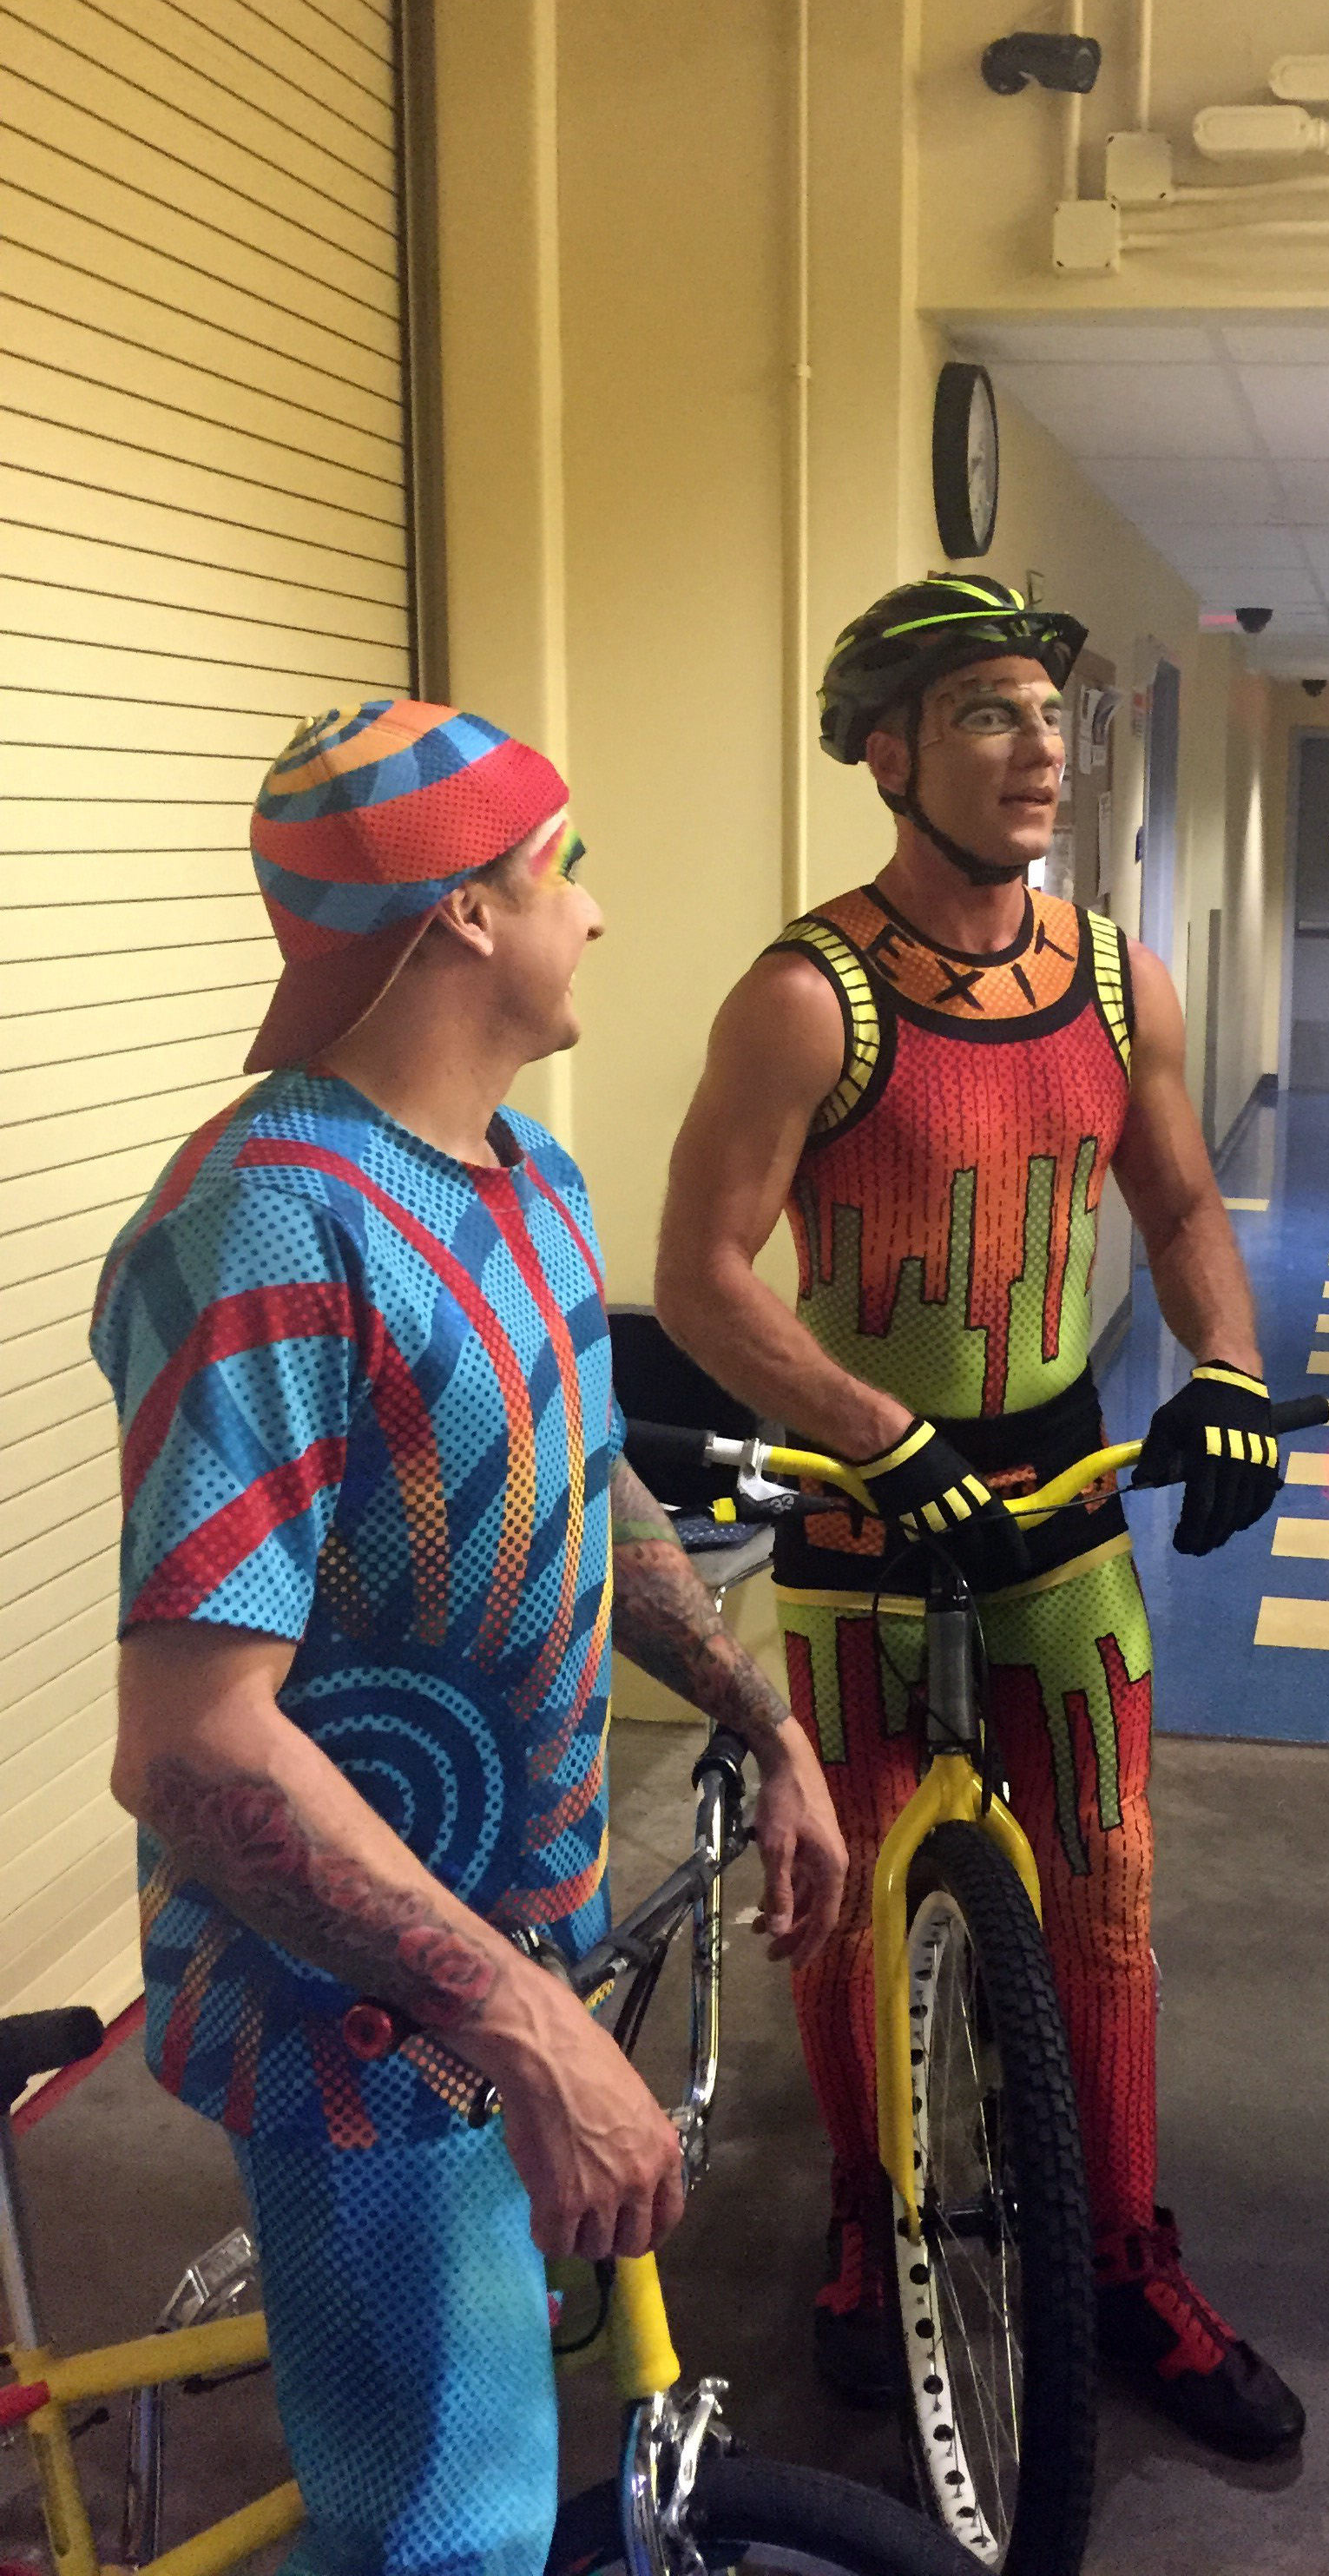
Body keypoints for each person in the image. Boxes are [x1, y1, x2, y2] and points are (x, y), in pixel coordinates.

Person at [95, 699, 847, 2576]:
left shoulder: (528, 1179)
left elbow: (585, 1488)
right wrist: (518, 2029)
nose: (595, 913)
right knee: (456, 2529)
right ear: (459, 917)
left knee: (463, 2477)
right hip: (358, 2022)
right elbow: (192, 1743)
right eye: (562, 871)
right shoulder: (269, 1229)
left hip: (496, 1974)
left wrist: (767, 1721)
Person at [655, 575, 1303, 2460]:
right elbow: (703, 1278)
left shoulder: (1118, 980)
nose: (1038, 755)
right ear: (887, 753)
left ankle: (1117, 2257)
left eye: (1050, 719)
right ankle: (872, 2217)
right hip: (866, 1524)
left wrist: (1232, 1372)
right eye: (989, 718)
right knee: (854, 1890)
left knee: (1104, 1893)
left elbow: (1179, 1211)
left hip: (1061, 1503)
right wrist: (874, 1424)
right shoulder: (807, 996)